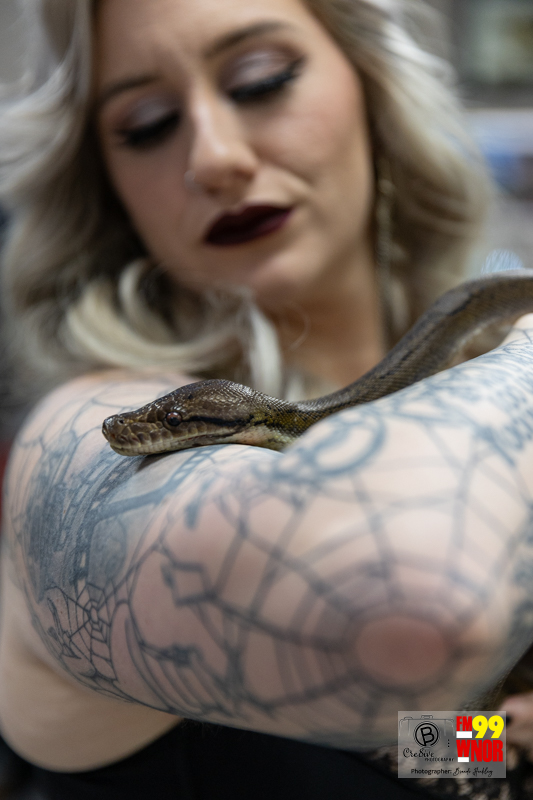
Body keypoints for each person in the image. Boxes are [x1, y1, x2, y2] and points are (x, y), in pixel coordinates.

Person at [0, 0, 533, 798]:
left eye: (261, 80)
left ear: (373, 89)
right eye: (147, 125)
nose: (215, 157)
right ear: (103, 184)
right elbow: (414, 605)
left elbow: (423, 754)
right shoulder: (72, 438)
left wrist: (496, 743)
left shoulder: (482, 388)